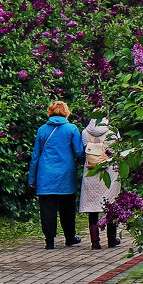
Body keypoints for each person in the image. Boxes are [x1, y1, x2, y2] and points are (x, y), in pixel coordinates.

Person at [28, 101, 84, 249]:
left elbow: (35, 156)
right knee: (67, 208)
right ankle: (70, 238)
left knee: (47, 209)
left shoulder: (42, 130)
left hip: (45, 174)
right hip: (66, 174)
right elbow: (79, 152)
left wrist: (31, 179)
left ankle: (49, 241)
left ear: (50, 112)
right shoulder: (72, 129)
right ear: (66, 112)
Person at [79, 117, 121, 249]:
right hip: (109, 173)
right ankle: (111, 239)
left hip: (90, 172)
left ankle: (95, 242)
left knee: (92, 208)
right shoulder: (112, 132)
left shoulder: (85, 133)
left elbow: (85, 149)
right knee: (111, 205)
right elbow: (116, 150)